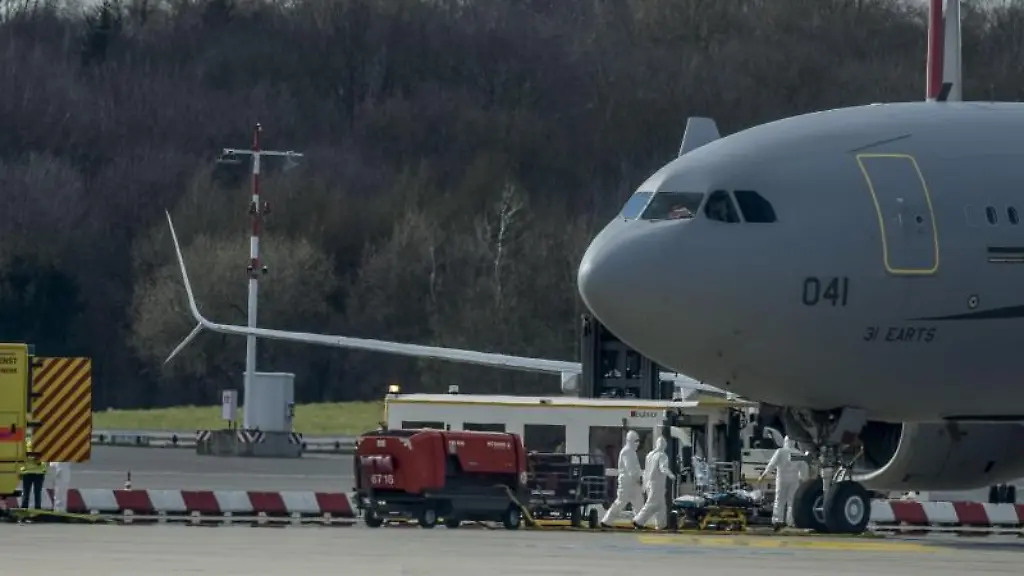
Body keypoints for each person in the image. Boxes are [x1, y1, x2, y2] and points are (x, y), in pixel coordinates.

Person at [758, 435, 808, 530]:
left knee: (779, 499)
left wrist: (763, 475)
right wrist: (803, 480)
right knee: (791, 501)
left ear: (785, 441)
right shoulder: (799, 454)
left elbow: (771, 464)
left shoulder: (780, 452)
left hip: (781, 478)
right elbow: (804, 470)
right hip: (794, 480)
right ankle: (790, 521)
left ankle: (777, 520)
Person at [600, 430, 643, 527]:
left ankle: (638, 522)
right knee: (620, 502)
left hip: (632, 483)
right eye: (635, 441)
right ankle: (606, 521)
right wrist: (638, 478)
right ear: (630, 441)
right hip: (627, 483)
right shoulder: (627, 452)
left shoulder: (631, 451)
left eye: (638, 441)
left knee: (638, 503)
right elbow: (630, 468)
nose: (637, 443)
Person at [633, 436, 675, 529]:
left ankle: (661, 524)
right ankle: (638, 521)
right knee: (651, 504)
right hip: (657, 484)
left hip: (649, 483)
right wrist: (671, 475)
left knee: (661, 506)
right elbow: (663, 468)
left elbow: (646, 470)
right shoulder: (662, 455)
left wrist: (644, 484)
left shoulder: (650, 455)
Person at [19, 438, 46, 510]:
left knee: (27, 493)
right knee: (35, 493)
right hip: (36, 473)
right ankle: (37, 510)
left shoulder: (26, 444)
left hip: (31, 472)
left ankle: (25, 509)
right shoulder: (41, 442)